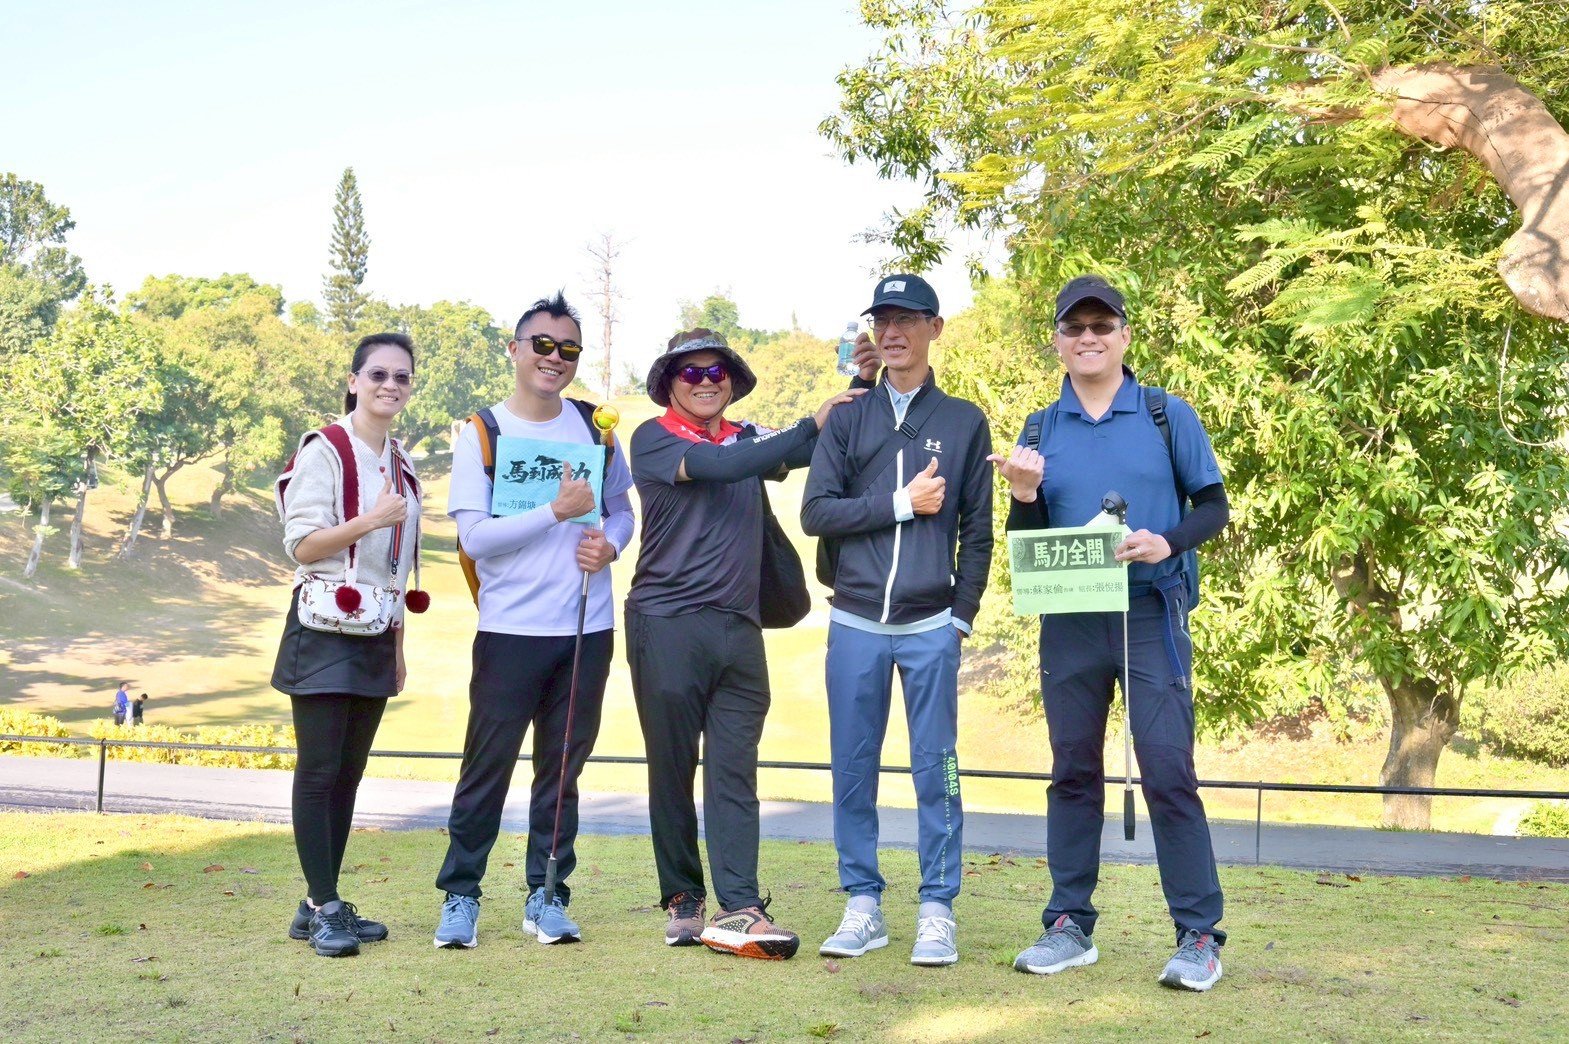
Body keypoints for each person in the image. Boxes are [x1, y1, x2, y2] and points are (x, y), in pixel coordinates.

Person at [994, 274, 1230, 991]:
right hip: (1071, 620)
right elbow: (1026, 543)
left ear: (1125, 336)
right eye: (1075, 328)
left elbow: (1213, 507)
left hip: (1151, 613)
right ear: (1057, 342)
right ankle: (1069, 924)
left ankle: (1197, 935)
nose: (1088, 338)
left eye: (1102, 326)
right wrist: (1023, 494)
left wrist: (1166, 542)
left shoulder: (1164, 414)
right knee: (1071, 771)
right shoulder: (1039, 429)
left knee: (1167, 770)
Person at [626, 328, 862, 960]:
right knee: (672, 768)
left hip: (740, 628)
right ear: (670, 383)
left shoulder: (748, 437)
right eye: (691, 373)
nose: (706, 382)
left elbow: (813, 445)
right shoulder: (653, 438)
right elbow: (724, 466)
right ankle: (683, 897)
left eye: (717, 372)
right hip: (666, 625)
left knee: (735, 770)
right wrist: (805, 424)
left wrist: (861, 384)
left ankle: (740, 906)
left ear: (731, 380)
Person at [802, 273, 993, 967]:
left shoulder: (964, 421)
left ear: (934, 328)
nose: (892, 332)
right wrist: (898, 504)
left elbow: (979, 532)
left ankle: (937, 907)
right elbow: (815, 513)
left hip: (929, 626)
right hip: (854, 622)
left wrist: (960, 619)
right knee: (852, 770)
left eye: (907, 319)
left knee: (937, 771)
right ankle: (862, 903)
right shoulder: (848, 417)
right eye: (882, 320)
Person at [433, 292, 634, 949]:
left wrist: (609, 545)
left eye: (568, 348)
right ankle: (461, 896)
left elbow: (622, 511)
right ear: (515, 350)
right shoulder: (482, 432)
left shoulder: (596, 427)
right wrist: (555, 512)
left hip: (584, 628)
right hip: (509, 630)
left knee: (562, 771)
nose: (555, 358)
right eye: (542, 345)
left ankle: (547, 894)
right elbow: (475, 539)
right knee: (485, 768)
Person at [272, 331, 424, 958]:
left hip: (376, 630)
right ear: (354, 381)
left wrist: (399, 642)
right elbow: (302, 546)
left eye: (402, 377)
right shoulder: (326, 450)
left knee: (349, 773)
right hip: (322, 627)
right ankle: (324, 904)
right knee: (319, 770)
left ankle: (319, 903)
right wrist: (369, 521)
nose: (390, 385)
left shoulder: (401, 463)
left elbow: (396, 566)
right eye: (378, 374)